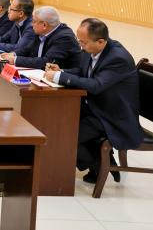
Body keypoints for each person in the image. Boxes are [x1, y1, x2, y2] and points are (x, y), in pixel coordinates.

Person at [44, 19, 144, 184]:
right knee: (57, 125)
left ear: (100, 41)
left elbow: (96, 85)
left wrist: (60, 77)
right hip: (95, 106)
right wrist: (62, 71)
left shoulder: (118, 58)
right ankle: (99, 158)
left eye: (83, 42)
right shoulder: (92, 48)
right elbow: (84, 72)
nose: (80, 45)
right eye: (79, 41)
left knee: (64, 137)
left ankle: (98, 164)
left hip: (112, 115)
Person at [0, 6, 82, 70]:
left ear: (44, 25)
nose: (31, 24)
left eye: (34, 22)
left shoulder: (64, 38)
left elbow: (46, 61)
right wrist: (13, 54)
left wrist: (16, 60)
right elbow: (28, 49)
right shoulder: (43, 31)